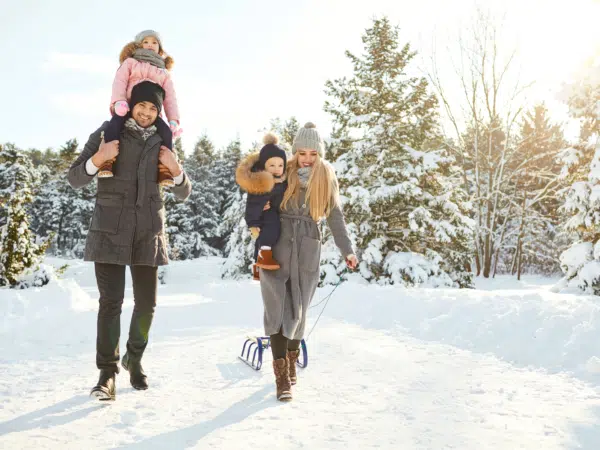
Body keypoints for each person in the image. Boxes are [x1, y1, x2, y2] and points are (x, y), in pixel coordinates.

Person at [67, 81, 192, 401]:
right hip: (109, 228)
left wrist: (177, 171)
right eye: (142, 106)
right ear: (131, 105)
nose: (148, 113)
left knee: (147, 305)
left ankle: (134, 357)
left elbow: (182, 191)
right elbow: (75, 177)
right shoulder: (107, 133)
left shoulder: (165, 142)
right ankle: (107, 373)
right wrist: (100, 158)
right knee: (110, 303)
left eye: (154, 109)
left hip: (147, 231)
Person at [259, 122, 359, 401]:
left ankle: (291, 360)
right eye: (302, 152)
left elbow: (335, 217)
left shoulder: (326, 176)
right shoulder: (282, 169)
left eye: (313, 153)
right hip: (278, 240)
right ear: (294, 152)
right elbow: (256, 189)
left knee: (299, 307)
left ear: (320, 154)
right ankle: (281, 377)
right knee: (276, 306)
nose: (306, 158)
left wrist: (347, 250)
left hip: (307, 246)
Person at [101, 29, 181, 187]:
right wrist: (119, 102)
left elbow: (170, 97)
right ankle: (107, 160)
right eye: (146, 42)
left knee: (165, 132)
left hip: (151, 111)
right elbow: (120, 82)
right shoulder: (131, 62)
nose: (150, 45)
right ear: (138, 45)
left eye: (154, 42)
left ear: (160, 48)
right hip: (129, 106)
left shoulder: (163, 71)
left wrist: (173, 119)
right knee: (114, 125)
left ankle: (164, 169)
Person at [235, 132, 287, 280]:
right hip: (262, 217)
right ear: (264, 165)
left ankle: (258, 266)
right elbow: (252, 204)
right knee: (272, 226)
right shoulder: (261, 182)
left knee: (271, 231)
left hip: (273, 213)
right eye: (272, 165)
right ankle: (264, 254)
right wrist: (252, 223)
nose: (277, 168)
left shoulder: (282, 181)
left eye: (280, 165)